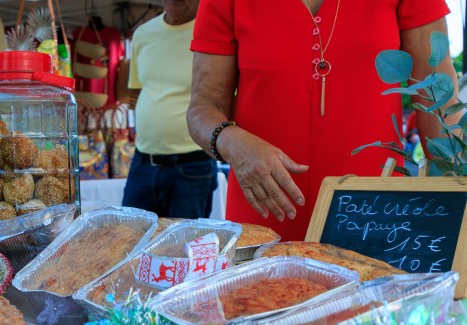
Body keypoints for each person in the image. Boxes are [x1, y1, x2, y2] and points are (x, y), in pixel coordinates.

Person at [186, 0, 460, 240]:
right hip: (263, 211)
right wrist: (233, 143)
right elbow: (203, 107)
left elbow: (436, 93)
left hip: (377, 213)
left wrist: (456, 194)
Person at [121, 0, 217, 219]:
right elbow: (137, 91)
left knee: (184, 249)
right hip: (142, 163)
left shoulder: (212, 33)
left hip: (193, 166)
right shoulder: (143, 34)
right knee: (131, 242)